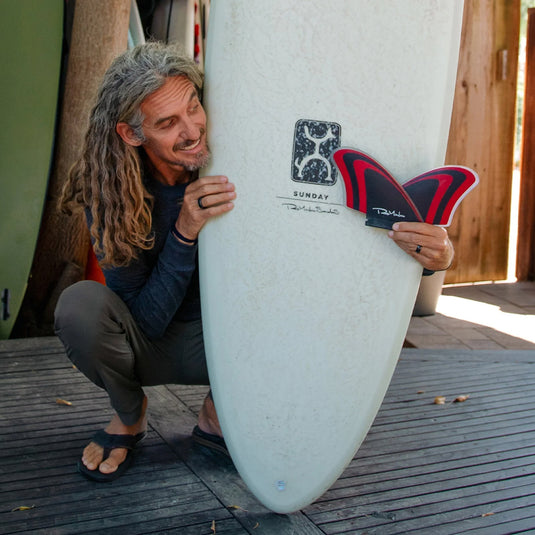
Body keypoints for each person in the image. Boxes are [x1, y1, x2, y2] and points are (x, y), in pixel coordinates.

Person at [54, 41, 454, 482]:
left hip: (244, 344)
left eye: (193, 107)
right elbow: (146, 323)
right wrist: (184, 231)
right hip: (153, 346)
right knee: (79, 307)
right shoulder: (110, 192)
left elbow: (324, 228)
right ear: (132, 134)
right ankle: (129, 416)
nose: (192, 130)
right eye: (167, 123)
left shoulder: (243, 156)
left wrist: (430, 256)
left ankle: (219, 410)